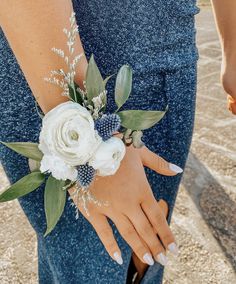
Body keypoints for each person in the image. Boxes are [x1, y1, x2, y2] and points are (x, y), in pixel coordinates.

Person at [0, 1, 234, 283]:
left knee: (142, 259)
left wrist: (233, 45)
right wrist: (88, 145)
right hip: (57, 51)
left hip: (169, 53)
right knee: (91, 268)